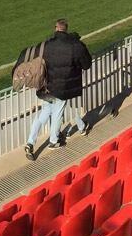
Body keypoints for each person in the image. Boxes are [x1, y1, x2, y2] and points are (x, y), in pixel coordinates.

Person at [19, 19, 93, 160]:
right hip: (62, 87)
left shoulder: (46, 45)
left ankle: (30, 141)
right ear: (66, 29)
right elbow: (86, 64)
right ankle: (53, 141)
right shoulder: (74, 45)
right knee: (58, 113)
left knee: (44, 114)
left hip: (46, 87)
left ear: (56, 29)